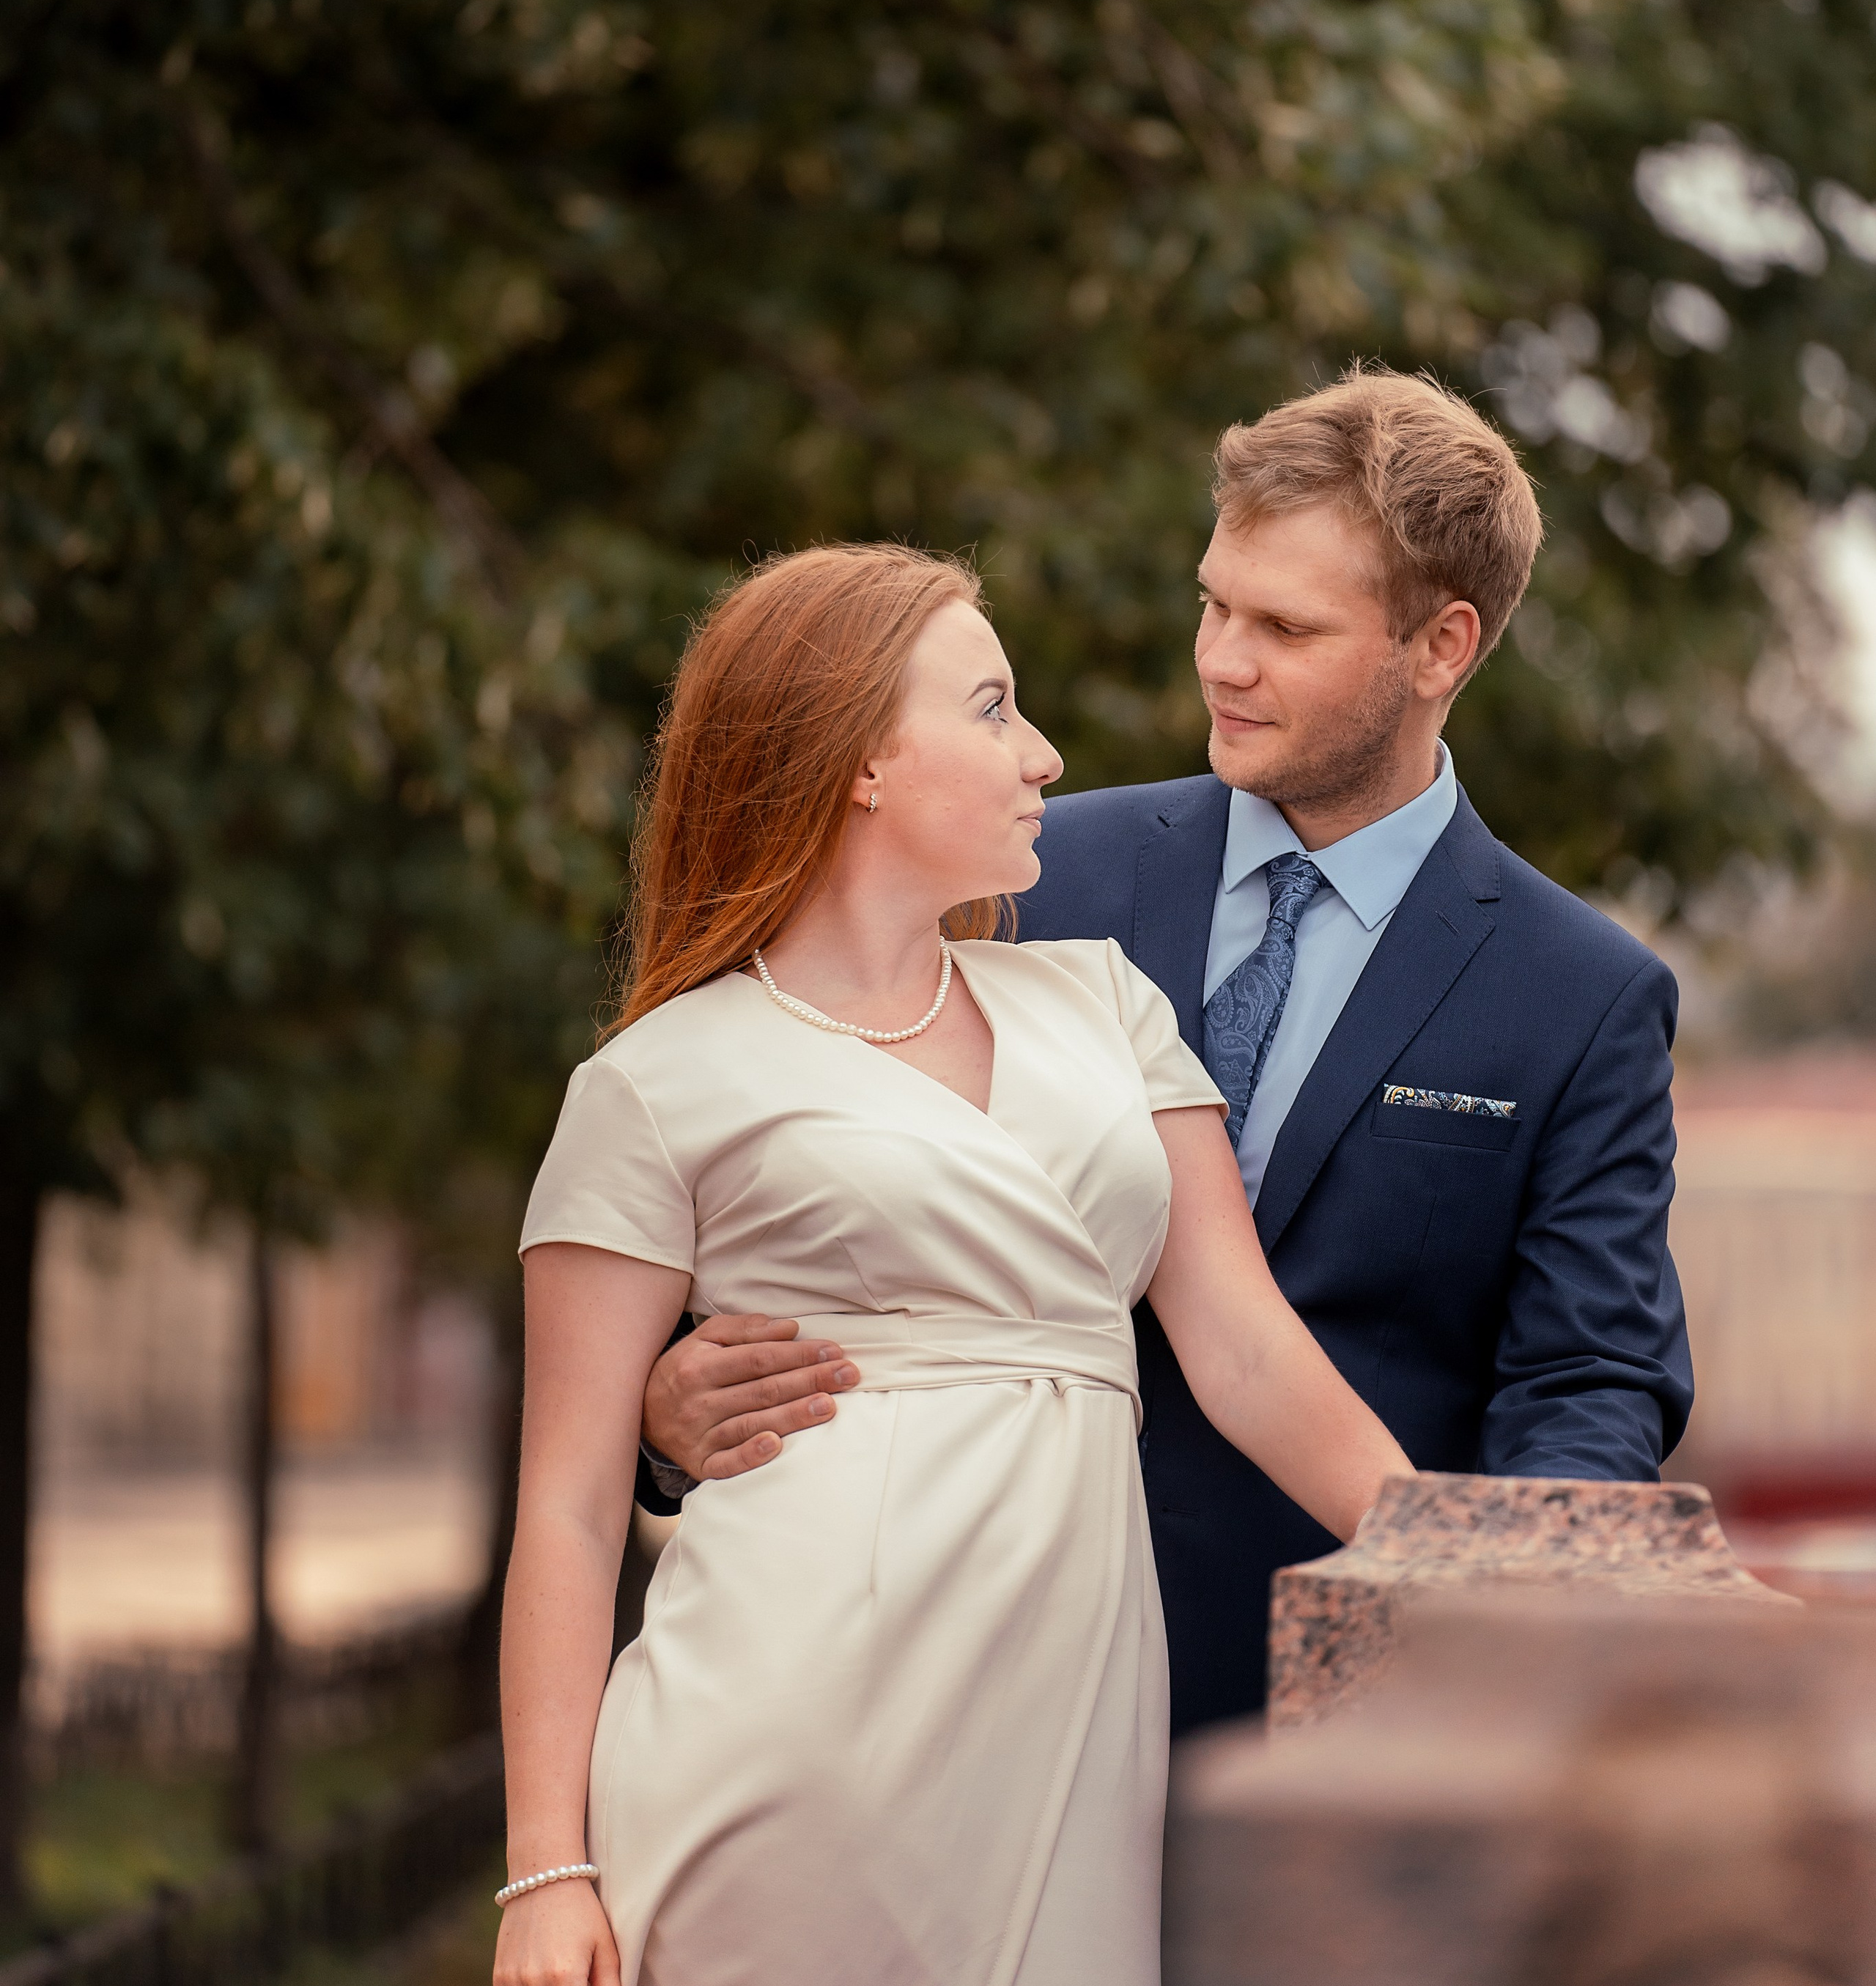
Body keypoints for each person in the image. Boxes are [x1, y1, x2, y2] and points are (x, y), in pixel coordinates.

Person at [635, 371, 1694, 1734]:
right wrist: (667, 1412)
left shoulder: (1582, 997)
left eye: (1285, 627)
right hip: (947, 1686)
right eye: (1215, 603)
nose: (1222, 660)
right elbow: (764, 1155)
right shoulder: (1015, 878)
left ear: (1442, 646)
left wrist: (1519, 1608)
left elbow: (1588, 1381)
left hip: (1337, 1730)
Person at [492, 542, 1411, 1986]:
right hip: (779, 1737)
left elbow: (1247, 1356)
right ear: (858, 763)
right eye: (990, 709)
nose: (1042, 752)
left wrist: (1478, 1561)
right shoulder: (651, 1089)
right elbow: (571, 1509)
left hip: (1067, 1746)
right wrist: (545, 1871)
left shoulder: (1104, 1005)